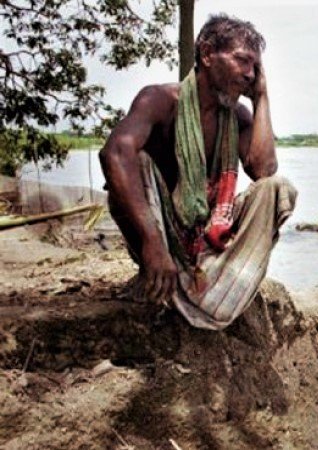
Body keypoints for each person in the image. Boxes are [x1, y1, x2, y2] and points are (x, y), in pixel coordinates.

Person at [99, 14, 297, 330]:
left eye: (254, 67)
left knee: (275, 188)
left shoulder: (238, 117)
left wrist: (261, 96)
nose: (249, 74)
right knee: (133, 160)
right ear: (206, 54)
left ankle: (218, 287)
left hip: (206, 234)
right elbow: (114, 153)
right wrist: (152, 241)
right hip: (160, 232)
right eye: (242, 61)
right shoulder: (161, 100)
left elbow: (264, 170)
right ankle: (161, 273)